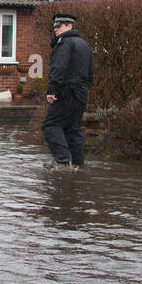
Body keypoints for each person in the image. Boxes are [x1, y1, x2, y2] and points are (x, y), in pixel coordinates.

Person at [42, 13, 93, 170]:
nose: (56, 30)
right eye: (55, 27)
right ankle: (78, 164)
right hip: (81, 92)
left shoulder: (64, 43)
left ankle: (63, 162)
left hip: (67, 91)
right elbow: (90, 72)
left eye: (60, 26)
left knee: (50, 125)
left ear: (70, 26)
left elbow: (59, 68)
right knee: (73, 128)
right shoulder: (85, 44)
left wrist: (52, 90)